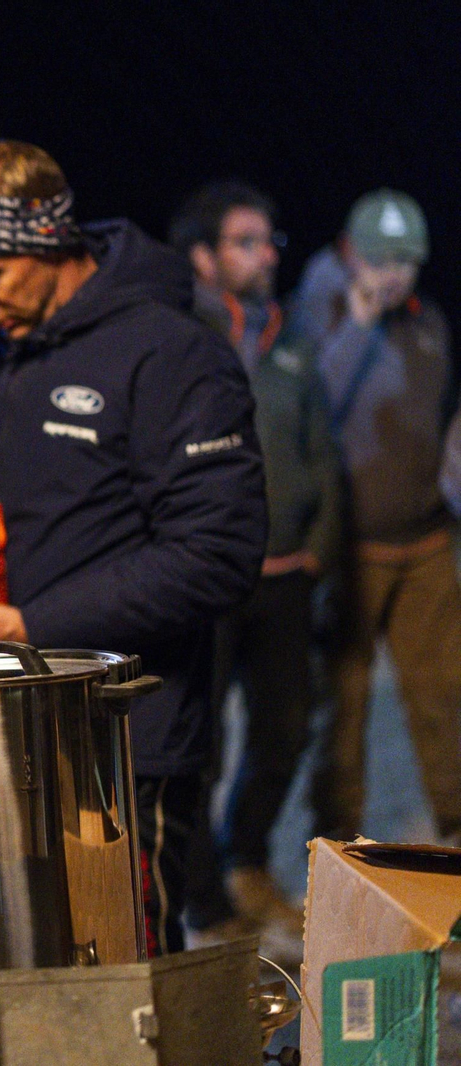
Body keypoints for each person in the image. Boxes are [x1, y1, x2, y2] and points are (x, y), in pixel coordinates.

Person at [0, 133, 268, 955]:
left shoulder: (172, 351)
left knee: (114, 984)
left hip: (124, 740)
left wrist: (32, 627)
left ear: (45, 241)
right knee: (11, 974)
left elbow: (218, 553)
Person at [169, 181, 341, 941]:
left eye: (269, 240)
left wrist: (320, 551)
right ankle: (203, 896)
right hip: (207, 583)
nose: (267, 253)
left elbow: (323, 452)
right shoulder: (175, 335)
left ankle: (247, 858)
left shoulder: (293, 336)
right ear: (203, 255)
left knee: (285, 732)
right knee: (195, 746)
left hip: (284, 577)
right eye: (247, 240)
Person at [289, 188, 461, 846]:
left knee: (442, 697)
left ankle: (456, 831)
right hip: (350, 553)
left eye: (406, 260)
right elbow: (309, 411)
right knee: (345, 708)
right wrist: (355, 330)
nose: (393, 273)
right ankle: (336, 848)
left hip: (425, 545)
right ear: (348, 254)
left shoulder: (427, 322)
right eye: (380, 259)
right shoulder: (314, 316)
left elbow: (438, 417)